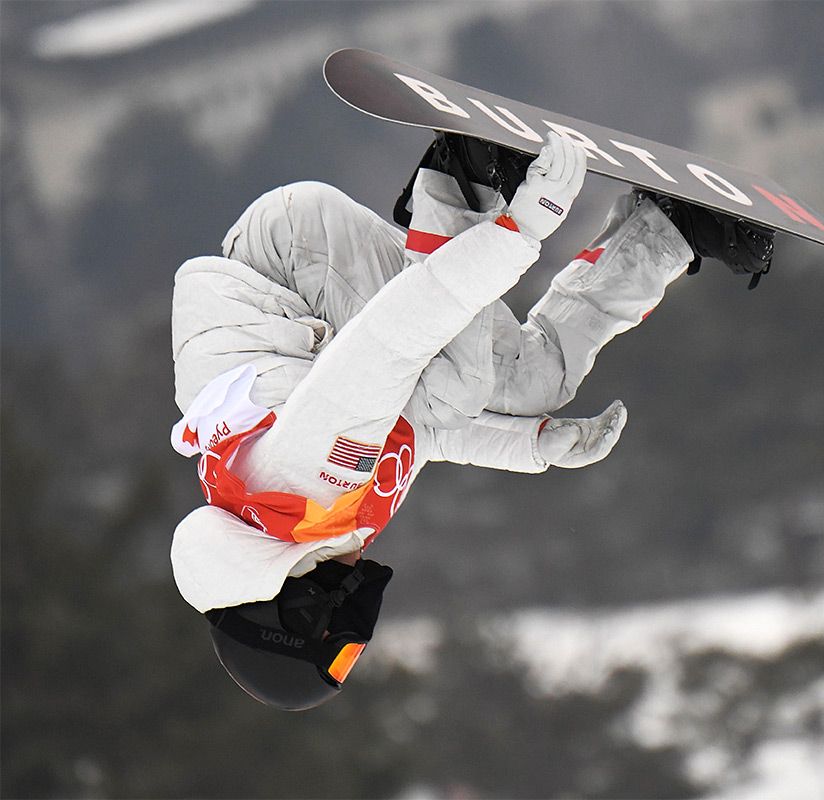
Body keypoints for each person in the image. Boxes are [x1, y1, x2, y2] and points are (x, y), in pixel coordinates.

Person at [169, 132, 773, 710]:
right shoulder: (307, 525)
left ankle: (461, 180)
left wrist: (521, 229)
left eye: (342, 645)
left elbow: (390, 344)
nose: (360, 636)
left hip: (290, 260)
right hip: (309, 288)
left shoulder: (305, 483)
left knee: (456, 385)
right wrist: (532, 447)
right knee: (536, 382)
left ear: (301, 614)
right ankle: (667, 230)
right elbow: (416, 432)